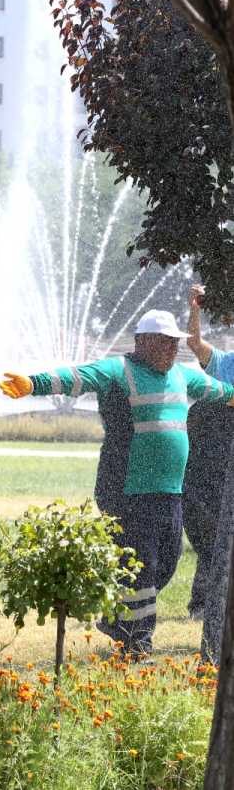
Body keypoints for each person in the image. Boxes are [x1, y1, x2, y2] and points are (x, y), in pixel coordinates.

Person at [0, 309, 234, 657]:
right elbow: (77, 377)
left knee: (164, 566)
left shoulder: (184, 376)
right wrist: (33, 384)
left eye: (174, 343)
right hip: (127, 491)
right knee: (143, 568)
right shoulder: (118, 371)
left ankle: (114, 617)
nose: (171, 349)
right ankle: (137, 642)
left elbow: (221, 391)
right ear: (143, 342)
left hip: (170, 493)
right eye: (164, 343)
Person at [185, 283, 234, 661]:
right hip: (214, 449)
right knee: (212, 526)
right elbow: (195, 345)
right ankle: (203, 602)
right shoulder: (226, 361)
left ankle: (206, 602)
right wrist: (195, 308)